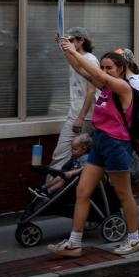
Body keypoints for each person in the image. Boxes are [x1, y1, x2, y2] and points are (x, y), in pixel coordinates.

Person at [48, 39, 139, 257]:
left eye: (109, 67)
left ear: (120, 69)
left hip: (117, 145)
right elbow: (81, 70)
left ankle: (134, 238)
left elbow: (98, 76)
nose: (104, 71)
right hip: (99, 143)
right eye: (103, 66)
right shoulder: (105, 88)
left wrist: (75, 51)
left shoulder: (123, 87)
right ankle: (74, 243)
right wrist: (67, 51)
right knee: (82, 191)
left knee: (124, 194)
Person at [49, 28, 98, 172]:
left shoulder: (90, 59)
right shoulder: (77, 58)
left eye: (71, 40)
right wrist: (62, 45)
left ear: (81, 40)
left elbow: (91, 90)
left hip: (85, 116)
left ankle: (52, 189)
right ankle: (54, 188)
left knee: (64, 154)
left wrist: (81, 117)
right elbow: (75, 65)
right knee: (65, 155)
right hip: (76, 113)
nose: (68, 43)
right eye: (67, 41)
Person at [30, 134, 92, 199]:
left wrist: (72, 172)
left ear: (84, 149)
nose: (72, 151)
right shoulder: (76, 156)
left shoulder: (85, 158)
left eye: (75, 149)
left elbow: (84, 168)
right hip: (70, 176)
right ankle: (43, 187)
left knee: (62, 181)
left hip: (78, 179)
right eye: (72, 148)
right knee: (60, 176)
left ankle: (48, 191)